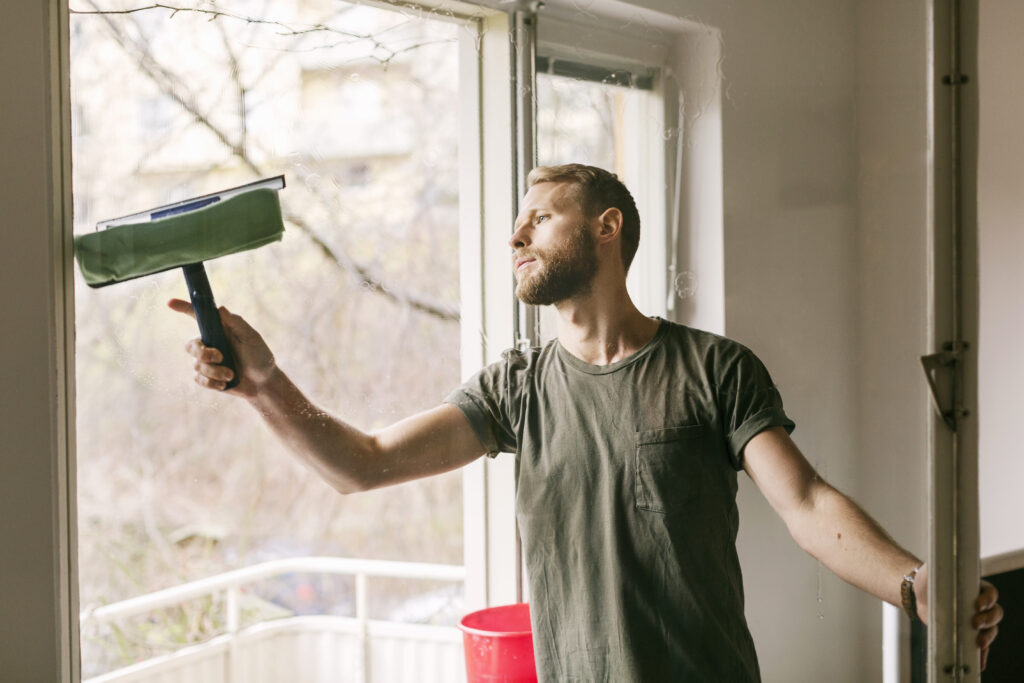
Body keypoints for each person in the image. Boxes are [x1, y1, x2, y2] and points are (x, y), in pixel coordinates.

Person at [170, 163, 1002, 681]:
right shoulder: (517, 389)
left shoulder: (715, 369)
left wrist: (910, 582)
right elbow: (366, 462)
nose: (515, 233)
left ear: (607, 229)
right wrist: (267, 384)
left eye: (540, 216)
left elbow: (806, 502)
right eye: (518, 222)